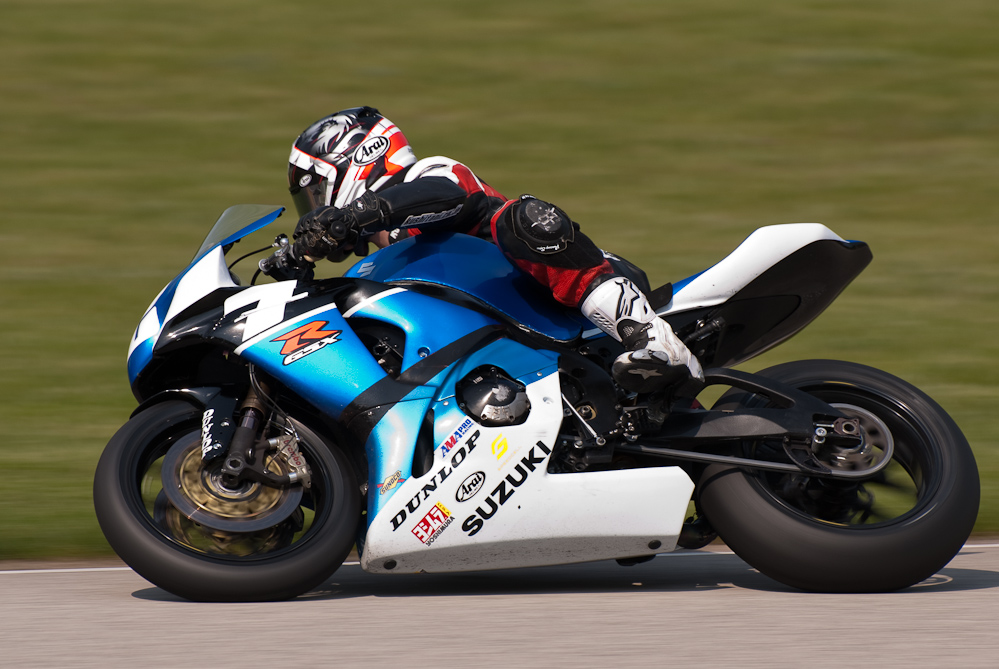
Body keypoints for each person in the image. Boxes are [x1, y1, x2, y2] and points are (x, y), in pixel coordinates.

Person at [287, 106, 702, 393]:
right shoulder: (379, 264)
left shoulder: (432, 173)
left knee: (520, 218)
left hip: (574, 298)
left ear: (361, 157)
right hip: (515, 344)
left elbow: (448, 196)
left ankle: (654, 339)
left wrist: (359, 214)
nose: (320, 209)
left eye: (318, 192)